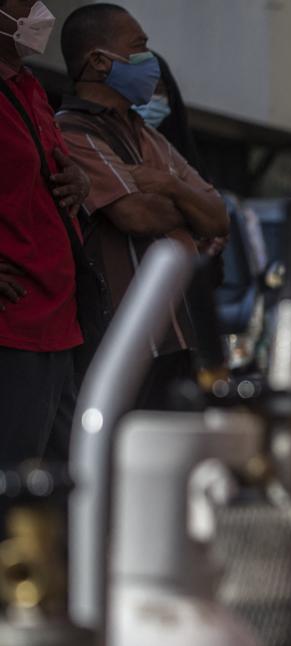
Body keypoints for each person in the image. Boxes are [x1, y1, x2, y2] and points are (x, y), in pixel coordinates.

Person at [55, 3, 229, 406]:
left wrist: (167, 184)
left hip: (183, 332)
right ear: (99, 61)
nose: (149, 60)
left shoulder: (149, 136)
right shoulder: (72, 130)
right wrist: (188, 210)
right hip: (128, 342)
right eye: (139, 47)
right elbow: (136, 215)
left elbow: (219, 218)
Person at [0, 0, 91, 463]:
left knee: (64, 486)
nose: (40, 10)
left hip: (58, 323)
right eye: (25, 0)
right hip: (13, 326)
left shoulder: (30, 87)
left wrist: (80, 180)